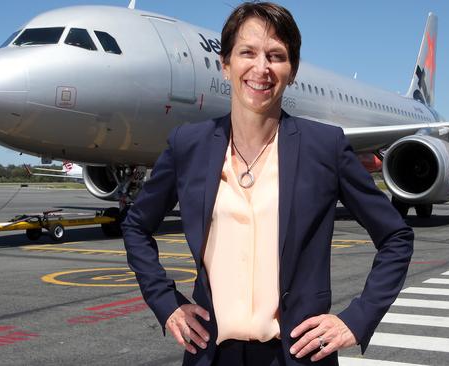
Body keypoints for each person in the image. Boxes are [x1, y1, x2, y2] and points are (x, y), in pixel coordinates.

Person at [122, 2, 414, 365]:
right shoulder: (188, 145)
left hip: (296, 354)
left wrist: (357, 319)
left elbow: (396, 236)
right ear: (225, 64)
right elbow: (136, 225)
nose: (261, 68)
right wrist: (167, 304)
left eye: (276, 56)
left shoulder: (324, 146)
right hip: (211, 355)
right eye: (247, 53)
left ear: (291, 72)